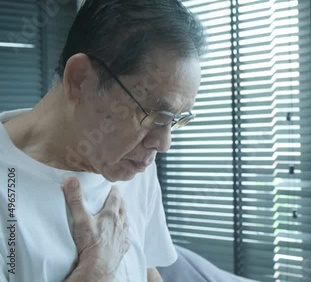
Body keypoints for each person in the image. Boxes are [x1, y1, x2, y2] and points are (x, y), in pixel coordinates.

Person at [0, 0, 205, 281]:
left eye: (175, 119)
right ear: (81, 80)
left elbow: (147, 270)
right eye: (154, 114)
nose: (163, 144)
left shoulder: (134, 164)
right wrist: (97, 271)